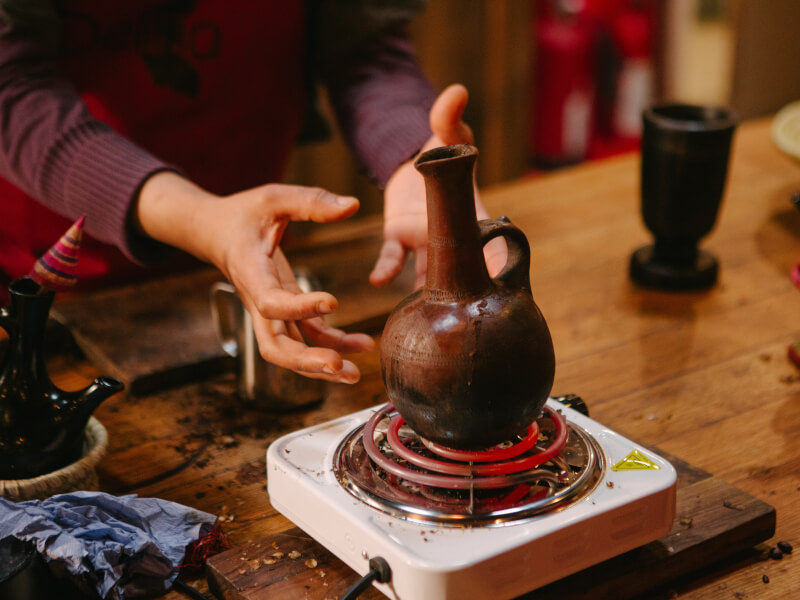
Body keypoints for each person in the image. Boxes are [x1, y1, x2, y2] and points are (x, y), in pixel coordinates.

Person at [0, 1, 502, 384]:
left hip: (260, 250)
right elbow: (11, 87)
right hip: (54, 291)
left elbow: (364, 48)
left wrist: (413, 157)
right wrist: (199, 218)